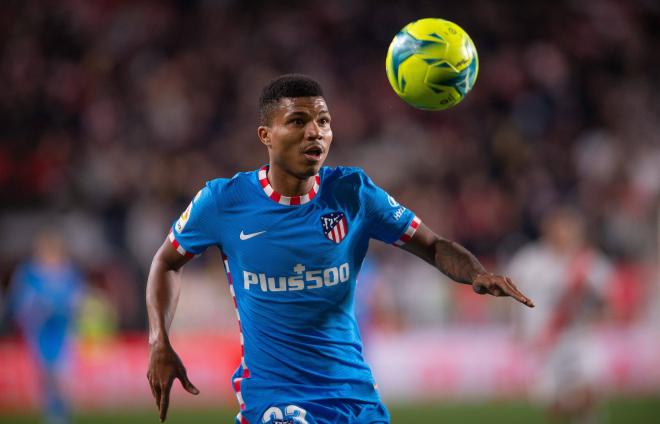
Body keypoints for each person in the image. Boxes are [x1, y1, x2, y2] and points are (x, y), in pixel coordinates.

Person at [146, 74, 535, 424]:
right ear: (266, 135)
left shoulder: (353, 193)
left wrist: (476, 274)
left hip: (354, 398)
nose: (315, 132)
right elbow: (166, 261)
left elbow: (433, 245)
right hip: (275, 401)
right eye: (298, 121)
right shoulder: (223, 202)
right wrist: (159, 340)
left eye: (323, 121)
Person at [507, 207, 612, 423]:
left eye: (568, 227)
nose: (563, 232)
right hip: (542, 342)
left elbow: (606, 302)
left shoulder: (589, 263)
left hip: (577, 337)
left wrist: (593, 309)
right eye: (558, 226)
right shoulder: (529, 260)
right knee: (554, 405)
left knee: (589, 391)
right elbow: (512, 297)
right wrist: (518, 328)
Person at [6, 229, 84, 424]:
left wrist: (66, 308)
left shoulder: (68, 272)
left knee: (61, 377)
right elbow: (19, 303)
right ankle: (52, 416)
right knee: (45, 376)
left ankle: (62, 415)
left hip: (62, 332)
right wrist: (39, 309)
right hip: (39, 332)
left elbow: (78, 299)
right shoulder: (29, 273)